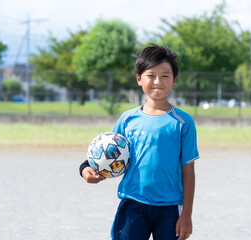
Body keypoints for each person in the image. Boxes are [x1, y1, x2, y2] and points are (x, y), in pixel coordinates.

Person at [79, 43, 199, 240]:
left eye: (165, 75)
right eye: (151, 75)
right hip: (133, 203)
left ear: (174, 80)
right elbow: (106, 150)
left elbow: (188, 170)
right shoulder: (128, 120)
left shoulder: (183, 122)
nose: (158, 81)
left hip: (169, 207)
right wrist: (85, 169)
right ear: (139, 79)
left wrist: (186, 215)